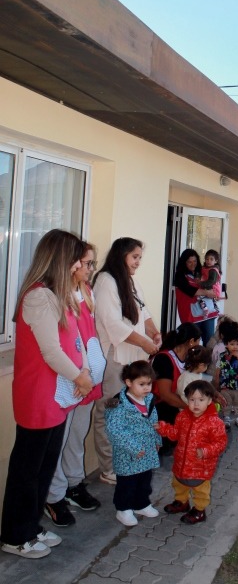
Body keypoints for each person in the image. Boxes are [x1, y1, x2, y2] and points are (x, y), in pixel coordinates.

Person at [0, 230, 94, 559]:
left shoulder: (59, 294)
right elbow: (51, 352)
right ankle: (14, 535)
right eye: (77, 260)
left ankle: (31, 525)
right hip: (39, 395)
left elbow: (75, 341)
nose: (80, 266)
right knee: (27, 470)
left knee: (44, 467)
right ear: (61, 259)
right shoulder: (38, 297)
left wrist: (83, 373)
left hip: (57, 395)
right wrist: (80, 377)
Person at [45, 242, 105, 527]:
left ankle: (73, 483)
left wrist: (90, 375)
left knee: (77, 435)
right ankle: (54, 495)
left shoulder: (86, 291)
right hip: (71, 379)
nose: (90, 268)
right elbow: (64, 342)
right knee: (59, 440)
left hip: (88, 379)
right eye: (87, 263)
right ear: (72, 263)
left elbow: (90, 334)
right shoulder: (57, 294)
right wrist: (79, 376)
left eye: (92, 263)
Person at [93, 238, 162, 486]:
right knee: (109, 412)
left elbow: (143, 312)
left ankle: (127, 460)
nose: (138, 262)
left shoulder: (129, 280)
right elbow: (113, 324)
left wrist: (153, 332)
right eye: (135, 257)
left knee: (128, 411)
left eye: (140, 257)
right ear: (121, 255)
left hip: (132, 357)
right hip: (115, 357)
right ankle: (108, 467)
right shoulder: (106, 281)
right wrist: (144, 343)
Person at [158, 380, 227, 524]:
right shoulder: (182, 416)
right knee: (179, 483)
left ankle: (199, 510)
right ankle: (181, 502)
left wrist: (206, 451)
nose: (196, 404)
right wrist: (163, 428)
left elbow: (220, 443)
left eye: (201, 400)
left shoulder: (214, 422)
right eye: (192, 400)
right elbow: (175, 434)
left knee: (200, 490)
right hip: (181, 462)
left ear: (209, 401)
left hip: (200, 467)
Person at [104, 361, 161, 527]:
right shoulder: (119, 405)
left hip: (147, 451)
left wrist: (157, 440)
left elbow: (154, 422)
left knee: (144, 480)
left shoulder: (149, 399)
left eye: (149, 384)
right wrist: (134, 448)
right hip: (128, 455)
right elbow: (115, 431)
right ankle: (123, 509)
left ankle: (141, 504)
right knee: (127, 483)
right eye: (141, 384)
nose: (146, 388)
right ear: (128, 382)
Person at [152, 323, 202, 453]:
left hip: (178, 405)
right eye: (198, 341)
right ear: (191, 342)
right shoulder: (164, 359)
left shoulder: (190, 358)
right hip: (161, 408)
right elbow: (165, 395)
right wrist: (190, 409)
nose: (199, 344)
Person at [174, 248, 218, 346]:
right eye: (189, 262)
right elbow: (189, 290)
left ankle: (207, 357)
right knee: (191, 344)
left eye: (195, 261)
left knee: (209, 344)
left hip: (208, 314)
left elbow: (213, 284)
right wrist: (207, 293)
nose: (193, 264)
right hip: (191, 316)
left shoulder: (202, 272)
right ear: (184, 262)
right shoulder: (180, 276)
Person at [213, 322, 238, 430]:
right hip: (225, 385)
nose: (235, 347)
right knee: (226, 401)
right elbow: (218, 369)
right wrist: (217, 381)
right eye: (232, 344)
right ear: (226, 344)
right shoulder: (222, 356)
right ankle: (226, 417)